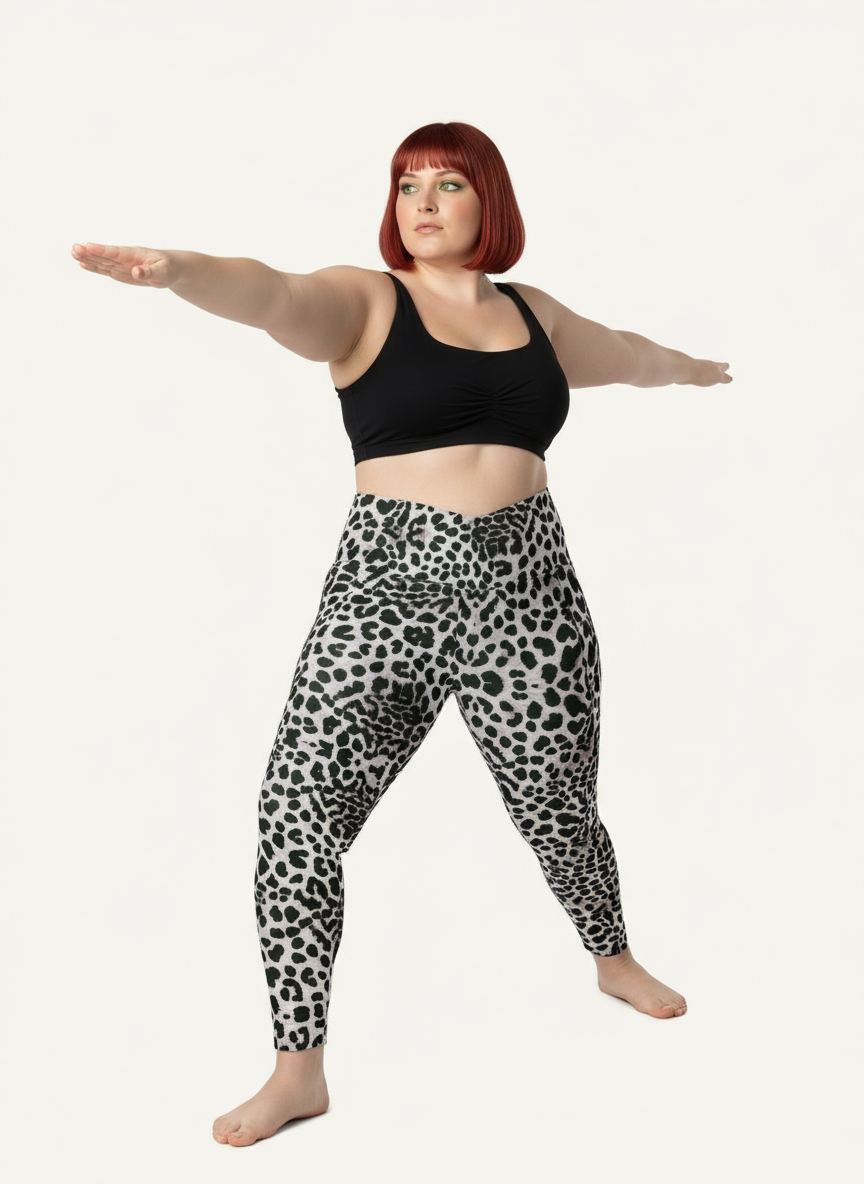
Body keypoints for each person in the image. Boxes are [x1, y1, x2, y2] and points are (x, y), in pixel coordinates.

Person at [71, 120, 732, 1147]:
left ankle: (612, 957)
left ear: (489, 200)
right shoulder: (367, 301)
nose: (422, 201)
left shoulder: (536, 315)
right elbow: (272, 293)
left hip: (531, 591)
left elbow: (630, 356)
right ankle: (298, 1069)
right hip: (385, 594)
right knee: (297, 816)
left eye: (448, 184)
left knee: (560, 810)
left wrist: (699, 369)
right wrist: (181, 272)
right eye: (407, 183)